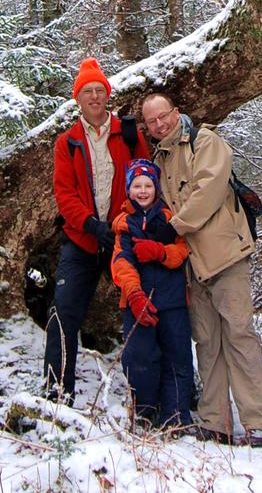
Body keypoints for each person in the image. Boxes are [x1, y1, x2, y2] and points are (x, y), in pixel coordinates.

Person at [141, 93, 262, 447]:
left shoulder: (206, 141)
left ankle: (255, 421)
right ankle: (216, 421)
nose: (159, 125)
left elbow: (209, 191)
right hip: (192, 265)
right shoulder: (159, 158)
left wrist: (175, 227)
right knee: (208, 341)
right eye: (151, 122)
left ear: (176, 113)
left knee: (239, 335)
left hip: (225, 255)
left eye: (163, 116)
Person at [43, 58, 149, 406]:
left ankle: (153, 396)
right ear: (78, 99)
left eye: (99, 91)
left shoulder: (128, 135)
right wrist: (90, 224)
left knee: (144, 306)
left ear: (108, 95)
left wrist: (125, 224)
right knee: (63, 312)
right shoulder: (68, 142)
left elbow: (147, 179)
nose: (94, 97)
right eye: (87, 91)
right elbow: (64, 193)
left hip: (123, 237)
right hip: (82, 239)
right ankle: (57, 394)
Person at [111, 159, 194, 434]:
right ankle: (146, 412)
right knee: (139, 357)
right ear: (128, 189)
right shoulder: (124, 223)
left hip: (172, 301)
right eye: (137, 185)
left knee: (177, 357)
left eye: (148, 185)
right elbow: (122, 262)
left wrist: (160, 252)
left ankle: (176, 415)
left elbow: (182, 252)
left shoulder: (170, 218)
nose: (143, 191)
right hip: (138, 301)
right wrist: (133, 294)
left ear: (156, 189)